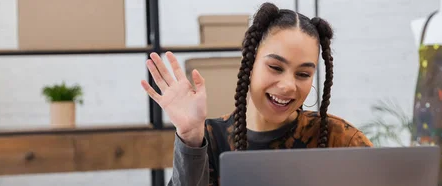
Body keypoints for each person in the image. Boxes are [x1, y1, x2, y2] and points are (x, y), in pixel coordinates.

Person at [140, 2, 373, 186]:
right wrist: (190, 137)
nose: (288, 86)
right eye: (275, 67)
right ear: (249, 63)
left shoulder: (340, 139)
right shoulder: (207, 139)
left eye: (303, 74)